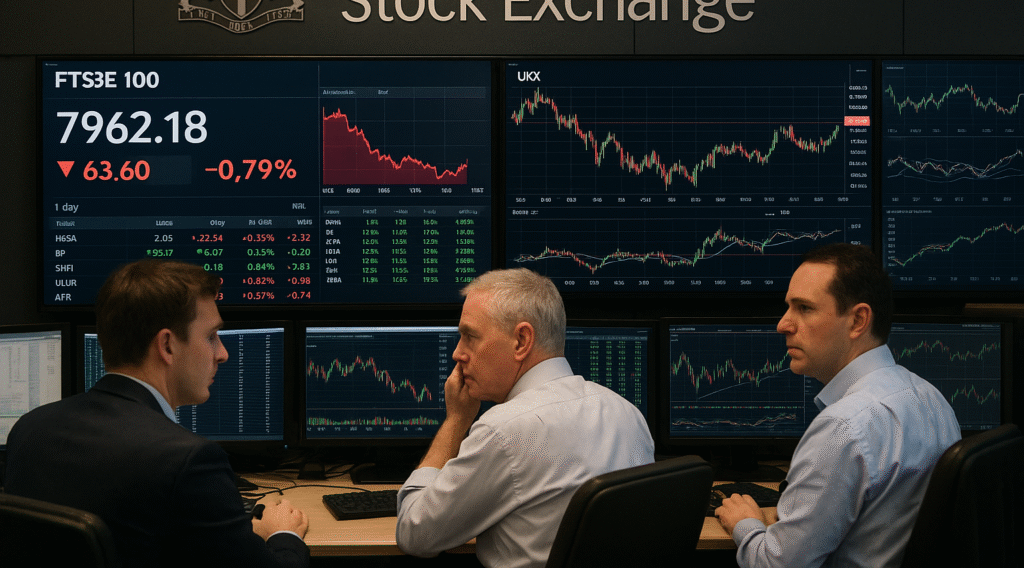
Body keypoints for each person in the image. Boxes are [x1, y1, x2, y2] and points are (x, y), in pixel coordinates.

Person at [3, 259, 309, 568]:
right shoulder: (189, 461)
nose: (223, 353)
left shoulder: (29, 430)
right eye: (211, 336)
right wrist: (283, 534)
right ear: (167, 345)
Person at [715, 243, 961, 568]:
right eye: (788, 307)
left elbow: (776, 565)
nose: (783, 324)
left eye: (804, 308)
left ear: (858, 320)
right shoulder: (930, 398)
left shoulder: (846, 426)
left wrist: (744, 523)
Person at [395, 268, 654, 568]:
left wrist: (455, 422)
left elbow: (415, 534)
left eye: (469, 337)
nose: (457, 353)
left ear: (521, 341)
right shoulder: (628, 414)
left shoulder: (504, 431)